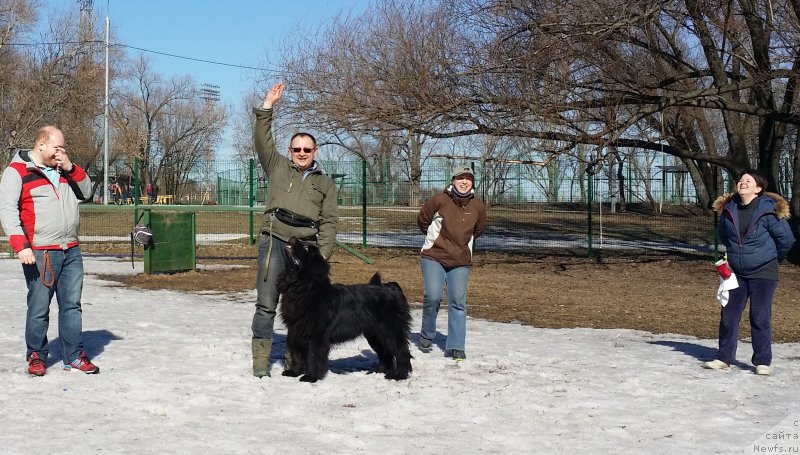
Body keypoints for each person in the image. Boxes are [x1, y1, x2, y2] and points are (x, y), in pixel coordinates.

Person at [250, 82, 339, 377]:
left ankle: (295, 359)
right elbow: (262, 140)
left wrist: (322, 254)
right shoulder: (277, 166)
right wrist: (268, 106)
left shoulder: (325, 183)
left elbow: (329, 221)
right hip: (275, 241)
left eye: (307, 149)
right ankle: (261, 362)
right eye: (296, 148)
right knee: (266, 303)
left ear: (315, 151)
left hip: (307, 250)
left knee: (302, 309)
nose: (302, 153)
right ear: (290, 151)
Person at [0, 126, 100, 376]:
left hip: (71, 249)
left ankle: (74, 356)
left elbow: (87, 192)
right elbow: (7, 211)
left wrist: (70, 166)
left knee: (72, 306)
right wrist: (21, 246)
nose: (61, 151)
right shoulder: (17, 171)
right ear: (41, 144)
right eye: (57, 147)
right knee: (39, 306)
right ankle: (36, 355)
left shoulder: (64, 169)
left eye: (63, 148)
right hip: (40, 251)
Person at [704, 169, 795, 375]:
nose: (742, 183)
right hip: (736, 272)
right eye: (741, 180)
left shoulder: (769, 210)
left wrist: (772, 258)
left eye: (748, 180)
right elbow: (724, 236)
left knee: (759, 315)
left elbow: (786, 240)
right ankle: (723, 357)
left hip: (764, 271)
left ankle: (762, 361)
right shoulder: (729, 209)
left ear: (758, 188)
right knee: (728, 315)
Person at [416, 165, 487, 361]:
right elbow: (422, 220)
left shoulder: (478, 207)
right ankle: (427, 335)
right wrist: (434, 239)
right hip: (434, 256)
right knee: (433, 296)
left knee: (458, 302)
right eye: (460, 178)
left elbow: (479, 230)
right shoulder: (439, 200)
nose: (464, 182)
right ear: (453, 180)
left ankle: (457, 346)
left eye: (468, 178)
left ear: (472, 183)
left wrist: (462, 245)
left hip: (461, 260)